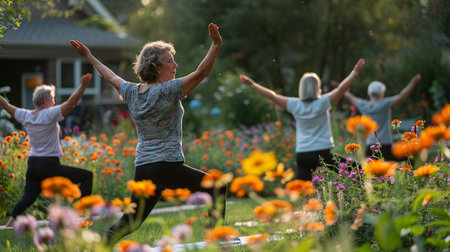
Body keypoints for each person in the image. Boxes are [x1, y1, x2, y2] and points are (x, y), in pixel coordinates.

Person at [70, 23, 226, 245]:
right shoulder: (168, 90)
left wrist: (89, 56)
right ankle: (218, 244)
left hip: (144, 167)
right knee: (217, 187)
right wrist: (216, 45)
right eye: (170, 61)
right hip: (167, 165)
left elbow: (110, 76)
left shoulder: (132, 92)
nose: (175, 65)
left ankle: (97, 248)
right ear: (157, 67)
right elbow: (202, 73)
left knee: (130, 222)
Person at [240, 59, 365, 181]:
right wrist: (354, 72)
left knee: (302, 190)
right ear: (317, 87)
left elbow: (272, 96)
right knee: (358, 170)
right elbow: (341, 89)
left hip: (303, 154)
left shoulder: (295, 105)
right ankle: (367, 195)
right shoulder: (323, 102)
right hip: (322, 153)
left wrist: (252, 84)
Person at [1, 74, 94, 227]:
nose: (53, 101)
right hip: (49, 165)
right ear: (46, 100)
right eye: (52, 98)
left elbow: (5, 105)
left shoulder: (25, 115)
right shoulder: (50, 114)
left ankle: (10, 223)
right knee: (87, 176)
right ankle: (83, 215)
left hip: (33, 165)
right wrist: (83, 86)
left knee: (28, 196)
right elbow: (71, 104)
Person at [344, 74, 421, 160]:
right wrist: (413, 83)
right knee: (409, 158)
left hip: (370, 146)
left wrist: (341, 87)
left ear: (369, 94)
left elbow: (350, 97)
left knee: (370, 171)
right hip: (385, 146)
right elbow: (401, 97)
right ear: (381, 94)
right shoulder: (385, 104)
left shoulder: (363, 105)